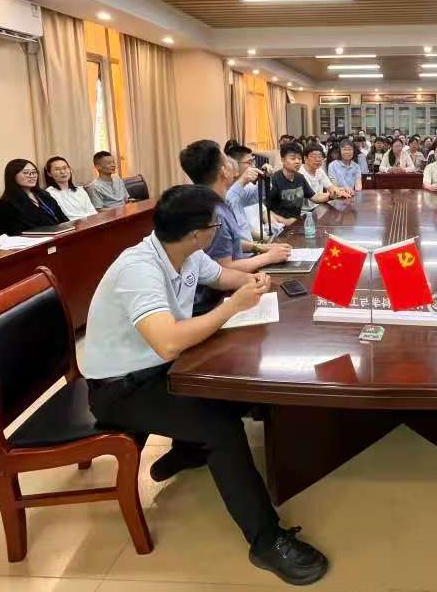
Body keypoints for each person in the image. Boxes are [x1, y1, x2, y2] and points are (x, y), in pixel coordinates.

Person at [81, 185, 328, 584]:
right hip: (121, 387)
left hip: (160, 368)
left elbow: (224, 276)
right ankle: (266, 540)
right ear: (197, 233)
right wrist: (232, 307)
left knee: (245, 384)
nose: (219, 230)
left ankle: (186, 449)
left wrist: (259, 281)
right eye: (215, 225)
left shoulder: (185, 251)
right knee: (220, 427)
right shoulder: (139, 269)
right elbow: (168, 341)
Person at [179, 140, 291, 270]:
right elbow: (224, 268)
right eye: (227, 160)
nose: (232, 163)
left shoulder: (210, 201)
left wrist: (260, 247)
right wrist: (269, 257)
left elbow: (230, 242)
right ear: (224, 171)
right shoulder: (216, 213)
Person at [0, 158, 70, 234]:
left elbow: (62, 218)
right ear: (13, 176)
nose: (32, 176)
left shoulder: (43, 194)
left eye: (34, 172)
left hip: (59, 234)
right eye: (26, 173)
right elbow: (16, 231)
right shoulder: (6, 203)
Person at [268, 142, 330, 225]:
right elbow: (263, 209)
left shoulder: (300, 177)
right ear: (283, 160)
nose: (297, 161)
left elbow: (314, 197)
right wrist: (285, 221)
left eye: (299, 158)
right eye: (293, 158)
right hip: (279, 225)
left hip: (297, 223)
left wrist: (331, 196)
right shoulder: (275, 179)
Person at [44, 156, 99, 221]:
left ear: (70, 169)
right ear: (49, 173)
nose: (62, 172)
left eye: (65, 168)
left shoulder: (79, 190)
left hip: (91, 223)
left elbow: (92, 211)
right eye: (57, 169)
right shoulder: (49, 193)